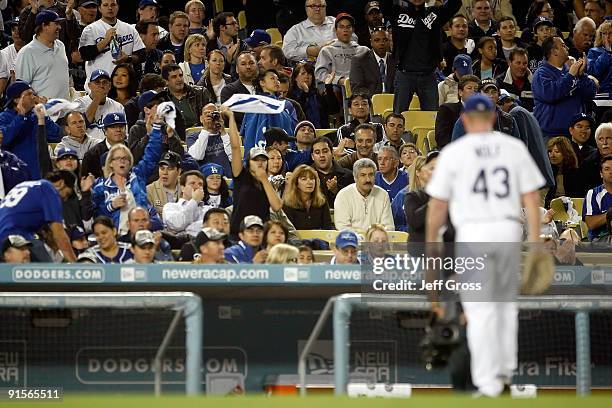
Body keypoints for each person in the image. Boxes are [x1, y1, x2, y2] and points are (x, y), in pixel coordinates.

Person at [425, 94, 544, 398]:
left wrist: (430, 244)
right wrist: (534, 243)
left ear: (464, 119)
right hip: (507, 230)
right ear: (493, 117)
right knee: (505, 306)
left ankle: (488, 383)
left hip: (473, 233)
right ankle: (505, 373)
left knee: (480, 311)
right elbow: (531, 198)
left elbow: (438, 206)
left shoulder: (455, 151)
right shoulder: (513, 147)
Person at [92, 112, 164, 235]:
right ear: (110, 163)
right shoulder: (100, 187)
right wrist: (111, 206)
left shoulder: (138, 176)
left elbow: (151, 155)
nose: (122, 161)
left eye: (125, 158)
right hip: (116, 237)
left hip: (142, 233)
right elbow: (94, 216)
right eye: (118, 158)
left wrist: (156, 128)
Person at [391, 0, 461, 113]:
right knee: (398, 115)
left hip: (428, 75)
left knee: (432, 117)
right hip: (404, 73)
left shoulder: (435, 13)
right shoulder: (397, 11)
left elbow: (455, 4)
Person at [228, 106, 282, 238]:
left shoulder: (268, 183)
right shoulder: (241, 176)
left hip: (261, 235)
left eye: (263, 160)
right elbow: (235, 147)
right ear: (248, 162)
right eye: (255, 160)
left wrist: (264, 180)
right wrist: (231, 118)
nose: (260, 163)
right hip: (238, 234)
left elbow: (277, 206)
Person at [0, 171, 78, 262]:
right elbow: (59, 234)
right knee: (47, 271)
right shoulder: (49, 188)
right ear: (61, 183)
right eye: (67, 194)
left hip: (6, 238)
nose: (65, 199)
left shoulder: (24, 185)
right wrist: (76, 267)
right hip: (16, 238)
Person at [532, 36, 598, 139]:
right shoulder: (541, 74)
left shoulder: (572, 72)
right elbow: (551, 95)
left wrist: (582, 76)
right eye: (563, 46)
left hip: (574, 135)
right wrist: (570, 76)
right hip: (551, 136)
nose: (567, 47)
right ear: (554, 51)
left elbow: (590, 94)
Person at [78, 0, 145, 90]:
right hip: (99, 85)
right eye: (105, 5)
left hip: (124, 87)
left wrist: (128, 58)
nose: (110, 8)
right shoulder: (90, 29)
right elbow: (85, 55)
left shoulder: (129, 29)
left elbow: (142, 55)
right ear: (100, 8)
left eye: (113, 5)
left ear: (118, 7)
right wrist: (105, 40)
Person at [15, 10, 69, 100]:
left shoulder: (60, 45)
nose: (60, 27)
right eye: (56, 23)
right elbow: (21, 87)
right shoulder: (27, 53)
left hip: (64, 108)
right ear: (44, 26)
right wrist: (37, 100)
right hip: (41, 110)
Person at [334, 157, 394, 231]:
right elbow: (342, 227)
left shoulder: (383, 195)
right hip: (352, 241)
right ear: (355, 177)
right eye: (363, 175)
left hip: (377, 241)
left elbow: (389, 227)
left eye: (371, 175)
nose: (368, 179)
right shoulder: (343, 195)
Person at [314, 13, 368, 87]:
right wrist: (339, 80)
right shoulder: (327, 51)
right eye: (341, 27)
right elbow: (319, 74)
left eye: (348, 27)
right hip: (336, 87)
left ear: (353, 30)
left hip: (361, 87)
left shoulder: (364, 51)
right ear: (335, 30)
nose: (345, 30)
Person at [74, 69, 125, 141]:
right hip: (86, 148)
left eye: (105, 82)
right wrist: (97, 99)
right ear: (89, 85)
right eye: (97, 82)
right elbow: (81, 127)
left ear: (109, 86)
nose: (101, 86)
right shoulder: (79, 103)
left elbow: (123, 134)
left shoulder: (118, 107)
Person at [287, 61, 339, 129]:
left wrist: (328, 86)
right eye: (303, 73)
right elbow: (298, 114)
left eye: (309, 73)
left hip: (321, 133)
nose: (307, 76)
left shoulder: (316, 94)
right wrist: (305, 93)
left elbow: (334, 110)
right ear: (295, 78)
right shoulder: (290, 95)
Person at [160, 63, 212, 129]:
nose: (179, 79)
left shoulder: (201, 93)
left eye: (180, 75)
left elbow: (212, 114)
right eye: (174, 77)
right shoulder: (162, 99)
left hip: (199, 133)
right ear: (166, 81)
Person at [282, 164, 333, 230]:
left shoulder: (322, 200)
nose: (309, 182)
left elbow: (327, 226)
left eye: (312, 179)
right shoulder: (288, 204)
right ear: (296, 183)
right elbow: (288, 231)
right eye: (304, 179)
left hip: (319, 239)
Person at [435, 74, 480, 149]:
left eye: (476, 89)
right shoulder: (447, 109)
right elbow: (441, 138)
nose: (473, 92)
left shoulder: (483, 113)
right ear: (460, 92)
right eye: (469, 88)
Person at [187, 103, 233, 175]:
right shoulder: (192, 137)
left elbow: (233, 158)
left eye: (213, 113)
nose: (210, 116)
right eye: (206, 114)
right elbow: (197, 156)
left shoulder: (226, 136)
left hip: (225, 178)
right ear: (201, 119)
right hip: (205, 179)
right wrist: (206, 129)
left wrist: (223, 131)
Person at [80, 112, 127, 180]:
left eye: (121, 126)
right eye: (113, 127)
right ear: (105, 131)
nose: (118, 130)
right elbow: (86, 183)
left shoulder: (132, 149)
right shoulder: (92, 155)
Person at [350, 27, 395, 97]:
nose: (381, 43)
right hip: (370, 102)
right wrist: (378, 99)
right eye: (377, 40)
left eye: (385, 40)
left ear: (389, 41)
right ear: (371, 42)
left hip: (393, 102)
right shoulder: (359, 60)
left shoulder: (395, 60)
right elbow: (357, 89)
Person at [162, 169, 209, 236]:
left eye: (200, 184)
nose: (197, 186)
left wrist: (187, 229)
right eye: (192, 183)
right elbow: (178, 224)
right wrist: (195, 201)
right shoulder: (170, 207)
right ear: (182, 188)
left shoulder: (208, 210)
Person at [220, 51, 259, 128]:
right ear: (237, 69)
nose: (248, 67)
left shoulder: (265, 88)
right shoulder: (229, 91)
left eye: (251, 63)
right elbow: (234, 117)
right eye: (243, 64)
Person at [311, 136, 353, 205]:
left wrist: (336, 190)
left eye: (325, 151)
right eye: (317, 152)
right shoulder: (305, 176)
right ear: (312, 156)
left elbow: (352, 202)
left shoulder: (349, 175)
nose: (321, 155)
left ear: (332, 153)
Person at [206, 12, 248, 76]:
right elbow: (210, 71)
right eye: (232, 24)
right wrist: (228, 60)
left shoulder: (242, 46)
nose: (237, 26)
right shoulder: (210, 46)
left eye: (236, 23)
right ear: (222, 27)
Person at [544, 136, 582, 206]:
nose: (552, 155)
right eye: (550, 151)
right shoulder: (546, 172)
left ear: (566, 153)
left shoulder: (575, 172)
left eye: (556, 151)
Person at [583, 155, 612, 240]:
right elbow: (591, 223)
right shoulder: (593, 193)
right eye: (607, 169)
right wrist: (610, 215)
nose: (611, 172)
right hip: (599, 240)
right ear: (601, 174)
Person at [146, 151, 182, 218]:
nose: (165, 172)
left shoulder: (187, 186)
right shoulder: (149, 191)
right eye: (162, 169)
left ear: (179, 171)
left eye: (170, 169)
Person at [587, 20, 612, 94]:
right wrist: (607, 53)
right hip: (603, 93)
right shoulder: (593, 52)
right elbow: (593, 73)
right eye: (604, 33)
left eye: (610, 33)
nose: (607, 37)